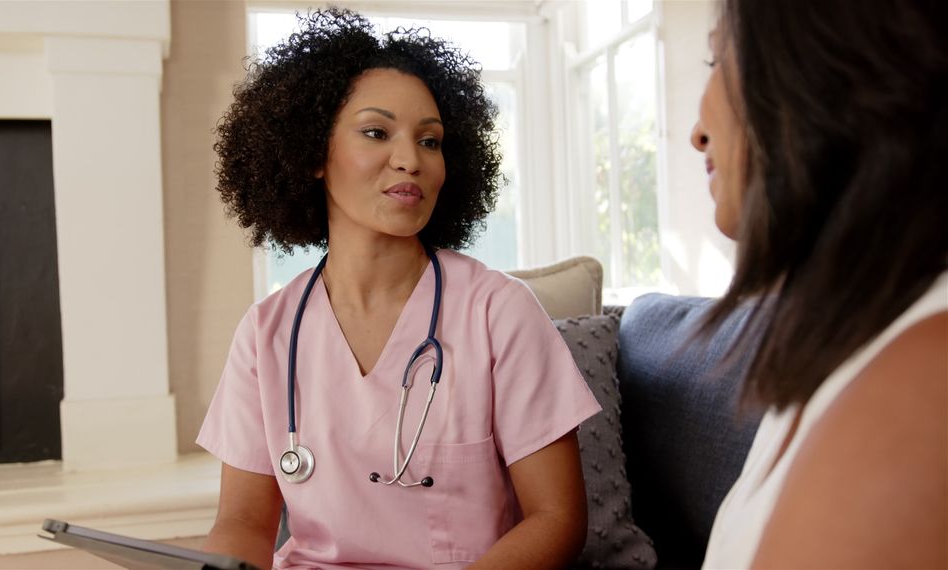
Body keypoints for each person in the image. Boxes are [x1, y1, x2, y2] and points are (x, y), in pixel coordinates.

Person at [197, 8, 600, 569]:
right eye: (376, 132)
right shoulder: (266, 334)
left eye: (430, 141)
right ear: (313, 153)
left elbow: (557, 520)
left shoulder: (498, 312)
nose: (411, 160)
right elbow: (242, 524)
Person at [690, 0, 947, 567]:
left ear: (809, 73)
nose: (695, 135)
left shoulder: (918, 395)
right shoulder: (841, 347)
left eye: (715, 58)